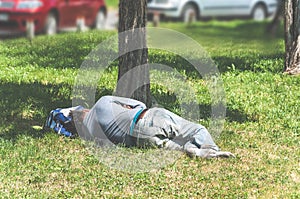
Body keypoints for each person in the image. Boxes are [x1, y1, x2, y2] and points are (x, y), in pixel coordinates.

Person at [72, 95, 234, 159]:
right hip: (148, 118)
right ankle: (211, 149)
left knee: (176, 145)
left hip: (139, 140)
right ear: (84, 110)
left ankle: (194, 151)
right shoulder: (102, 101)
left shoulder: (92, 134)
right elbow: (139, 104)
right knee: (198, 130)